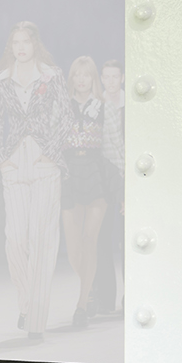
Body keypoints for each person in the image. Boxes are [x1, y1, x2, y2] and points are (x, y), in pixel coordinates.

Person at [0, 22, 72, 343]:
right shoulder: (1, 79)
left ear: (35, 44)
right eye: (15, 42)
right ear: (10, 46)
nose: (20, 47)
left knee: (43, 239)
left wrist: (51, 153)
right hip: (14, 160)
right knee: (15, 239)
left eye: (25, 41)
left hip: (44, 160)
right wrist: (1, 157)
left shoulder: (51, 75)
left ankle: (35, 320)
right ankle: (27, 302)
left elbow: (65, 116)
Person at [59, 57, 110, 330]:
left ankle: (81, 305)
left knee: (90, 240)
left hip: (94, 174)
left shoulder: (103, 107)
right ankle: (89, 288)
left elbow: (112, 145)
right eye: (76, 75)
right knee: (73, 249)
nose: (81, 80)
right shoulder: (63, 106)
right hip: (70, 175)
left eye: (86, 75)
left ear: (93, 79)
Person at [101, 59, 126, 314]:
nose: (110, 81)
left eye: (114, 76)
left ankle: (132, 292)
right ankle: (105, 297)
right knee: (103, 239)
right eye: (106, 77)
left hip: (128, 177)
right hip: (104, 179)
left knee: (126, 241)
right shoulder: (98, 106)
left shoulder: (129, 106)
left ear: (122, 78)